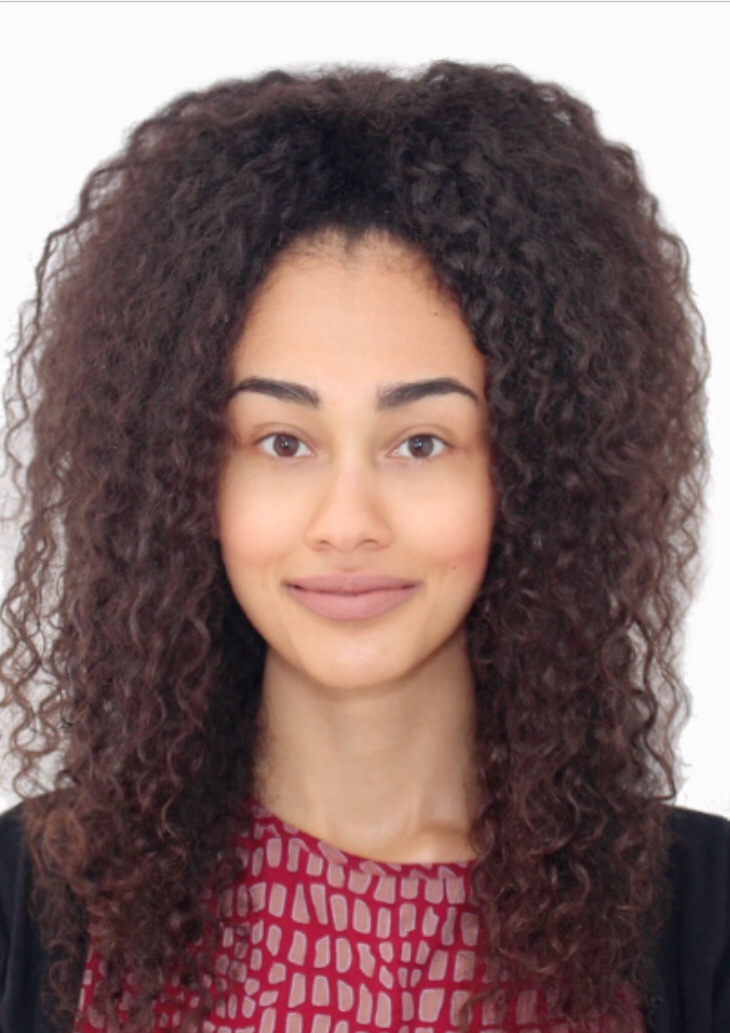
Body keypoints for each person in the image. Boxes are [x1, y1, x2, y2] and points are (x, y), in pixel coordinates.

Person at [0, 62, 727, 1033]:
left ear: (536, 473)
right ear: (183, 476)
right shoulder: (32, 897)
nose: (346, 522)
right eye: (282, 442)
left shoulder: (703, 914)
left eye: (420, 442)